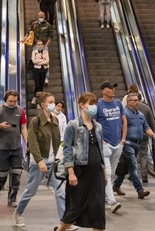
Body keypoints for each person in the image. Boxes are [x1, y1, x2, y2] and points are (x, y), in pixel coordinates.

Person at [13, 92, 65, 227]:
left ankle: (64, 222)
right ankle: (18, 213)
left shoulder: (55, 120)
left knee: (60, 192)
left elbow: (57, 140)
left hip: (53, 162)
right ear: (43, 105)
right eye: (51, 102)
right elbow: (33, 143)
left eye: (54, 101)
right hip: (38, 163)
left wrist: (59, 158)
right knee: (31, 190)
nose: (54, 104)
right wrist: (40, 160)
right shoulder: (36, 122)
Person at [56, 92, 106, 231]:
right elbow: (67, 149)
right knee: (75, 207)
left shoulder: (98, 127)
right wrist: (71, 172)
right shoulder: (73, 125)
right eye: (91, 104)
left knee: (98, 209)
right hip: (80, 172)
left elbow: (100, 150)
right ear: (82, 105)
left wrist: (104, 171)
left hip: (96, 173)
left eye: (95, 104)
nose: (94, 107)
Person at [113, 93, 155, 198]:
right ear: (128, 102)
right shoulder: (124, 114)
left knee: (127, 167)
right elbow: (119, 128)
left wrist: (153, 134)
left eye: (137, 100)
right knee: (133, 166)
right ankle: (140, 190)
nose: (137, 102)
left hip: (138, 144)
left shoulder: (141, 115)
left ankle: (116, 185)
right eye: (134, 100)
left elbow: (146, 127)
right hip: (127, 144)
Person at [0, 90, 28, 207]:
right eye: (10, 101)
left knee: (16, 174)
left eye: (15, 101)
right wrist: (0, 126)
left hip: (16, 146)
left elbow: (23, 127)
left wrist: (26, 142)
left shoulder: (20, 111)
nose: (12, 103)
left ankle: (12, 199)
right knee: (2, 173)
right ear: (6, 99)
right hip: (1, 147)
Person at [96, 81, 127, 213]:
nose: (112, 90)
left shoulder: (118, 103)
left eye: (113, 88)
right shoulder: (98, 105)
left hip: (118, 143)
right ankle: (112, 201)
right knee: (107, 172)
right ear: (103, 91)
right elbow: (93, 123)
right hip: (106, 144)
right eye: (109, 88)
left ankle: (102, 197)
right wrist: (101, 140)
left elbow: (124, 121)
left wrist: (123, 140)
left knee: (111, 173)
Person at [31, 39, 49, 106]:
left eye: (41, 44)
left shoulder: (45, 52)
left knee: (41, 86)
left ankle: (39, 101)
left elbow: (47, 61)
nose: (40, 45)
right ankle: (34, 97)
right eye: (39, 44)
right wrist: (42, 61)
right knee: (37, 85)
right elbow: (33, 61)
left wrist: (39, 62)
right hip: (36, 70)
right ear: (36, 46)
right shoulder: (34, 52)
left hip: (43, 70)